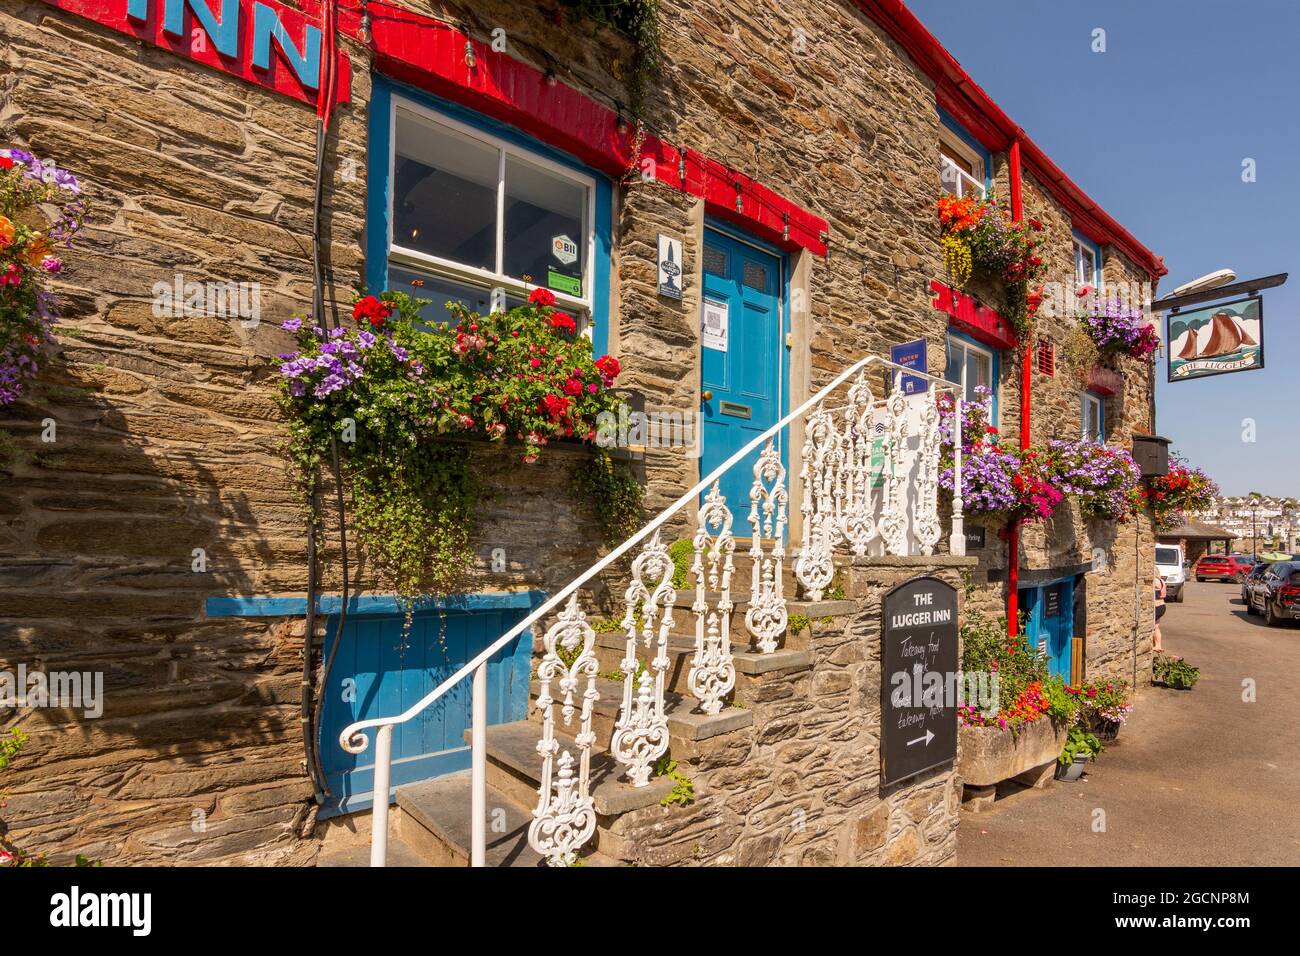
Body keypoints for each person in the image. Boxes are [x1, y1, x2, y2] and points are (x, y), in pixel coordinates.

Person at [1153, 567, 1167, 653]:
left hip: (1155, 606)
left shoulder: (1154, 581)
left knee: (1152, 627)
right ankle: (1158, 645)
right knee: (1157, 627)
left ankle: (1154, 645)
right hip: (1162, 606)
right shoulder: (1161, 581)